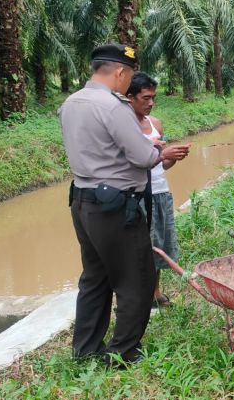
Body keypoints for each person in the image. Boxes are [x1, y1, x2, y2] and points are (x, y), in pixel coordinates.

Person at [59, 43, 190, 365]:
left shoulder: (72, 103)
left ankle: (85, 348)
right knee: (137, 277)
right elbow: (143, 156)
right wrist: (160, 151)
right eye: (128, 75)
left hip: (83, 200)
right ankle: (124, 351)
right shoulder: (113, 106)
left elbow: (99, 148)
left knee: (95, 277)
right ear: (120, 72)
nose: (127, 81)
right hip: (115, 206)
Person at [127, 72, 190, 308]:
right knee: (139, 247)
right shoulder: (123, 126)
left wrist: (174, 157)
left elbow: (162, 163)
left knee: (159, 244)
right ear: (130, 97)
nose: (151, 103)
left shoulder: (156, 124)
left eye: (153, 97)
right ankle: (137, 296)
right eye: (146, 98)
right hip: (137, 193)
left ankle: (155, 292)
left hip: (160, 191)